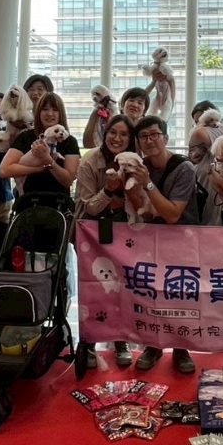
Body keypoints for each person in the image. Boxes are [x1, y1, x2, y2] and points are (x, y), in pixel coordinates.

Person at [131, 115, 200, 373]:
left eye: (154, 135)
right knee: (151, 293)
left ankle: (181, 349)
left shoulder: (184, 168)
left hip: (182, 241)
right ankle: (152, 346)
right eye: (143, 137)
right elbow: (143, 210)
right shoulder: (140, 166)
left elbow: (172, 214)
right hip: (151, 240)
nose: (149, 141)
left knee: (180, 295)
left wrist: (147, 183)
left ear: (166, 138)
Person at [75, 114, 138, 369]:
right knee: (93, 288)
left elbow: (138, 202)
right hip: (92, 233)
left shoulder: (136, 161)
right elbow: (88, 207)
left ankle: (121, 340)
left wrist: (120, 202)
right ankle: (89, 342)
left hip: (125, 232)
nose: (117, 138)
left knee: (123, 287)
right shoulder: (90, 160)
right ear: (105, 133)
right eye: (113, 132)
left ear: (131, 139)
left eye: (124, 134)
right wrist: (110, 191)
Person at [0, 92, 81, 197]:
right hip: (28, 201)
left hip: (59, 201)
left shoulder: (70, 141)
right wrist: (38, 169)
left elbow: (68, 180)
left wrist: (48, 160)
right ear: (38, 112)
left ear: (61, 113)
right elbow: (4, 170)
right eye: (45, 109)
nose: (50, 113)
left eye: (55, 110)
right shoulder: (25, 137)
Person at [187, 101, 223, 227]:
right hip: (208, 182)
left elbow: (197, 135)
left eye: (203, 120)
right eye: (196, 122)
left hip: (215, 182)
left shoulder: (220, 129)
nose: (200, 125)